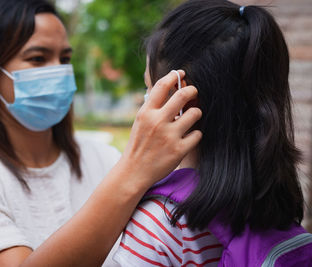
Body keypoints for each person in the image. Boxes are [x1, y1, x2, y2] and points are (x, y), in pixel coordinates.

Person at [0, 0, 203, 266]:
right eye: (37, 58)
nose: (58, 71)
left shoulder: (103, 157)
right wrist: (134, 170)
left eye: (65, 58)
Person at [113, 0, 308, 266]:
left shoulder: (158, 225)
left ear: (180, 101)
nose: (145, 103)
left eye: (150, 88)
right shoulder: (273, 203)